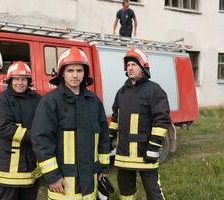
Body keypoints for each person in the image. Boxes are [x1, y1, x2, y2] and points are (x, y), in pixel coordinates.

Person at [31, 47, 110, 199]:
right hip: (64, 185)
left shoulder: (93, 101)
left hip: (90, 183)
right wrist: (52, 176)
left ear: (85, 73)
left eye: (79, 70)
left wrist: (104, 167)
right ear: (62, 73)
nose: (75, 75)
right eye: (70, 70)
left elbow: (103, 137)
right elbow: (41, 140)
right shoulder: (50, 101)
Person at [109, 48, 171, 200]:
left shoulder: (154, 90)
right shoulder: (121, 92)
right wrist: (109, 137)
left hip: (145, 155)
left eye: (134, 65)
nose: (130, 68)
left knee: (153, 193)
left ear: (143, 68)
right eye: (128, 65)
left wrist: (154, 147)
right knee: (126, 194)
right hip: (123, 156)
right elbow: (115, 117)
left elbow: (161, 120)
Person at [0, 61, 41, 200]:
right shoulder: (2, 100)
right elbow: (5, 128)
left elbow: (45, 122)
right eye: (16, 79)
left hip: (31, 164)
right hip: (9, 168)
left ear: (28, 81)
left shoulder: (37, 99)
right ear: (10, 80)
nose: (20, 82)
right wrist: (35, 136)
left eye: (24, 79)